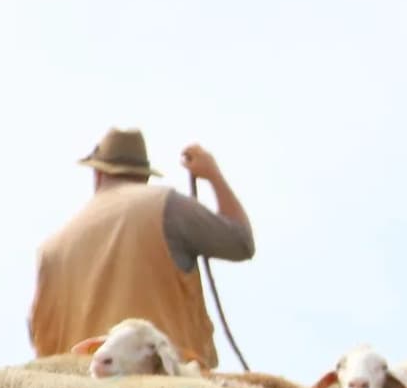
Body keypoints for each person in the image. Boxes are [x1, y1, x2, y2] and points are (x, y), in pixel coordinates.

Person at [29, 127, 255, 365]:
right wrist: (212, 174)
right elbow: (240, 242)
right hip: (162, 380)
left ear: (97, 174)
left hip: (79, 385)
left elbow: (39, 335)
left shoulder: (51, 248)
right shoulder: (166, 206)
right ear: (145, 176)